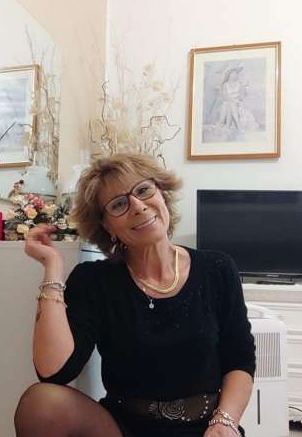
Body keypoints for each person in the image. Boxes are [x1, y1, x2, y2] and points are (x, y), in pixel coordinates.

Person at [15, 152, 256, 437]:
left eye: (143, 190)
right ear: (107, 225)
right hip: (124, 428)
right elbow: (55, 371)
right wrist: (52, 267)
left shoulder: (216, 268)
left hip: (206, 429)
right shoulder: (95, 280)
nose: (138, 207)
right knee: (40, 404)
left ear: (162, 193)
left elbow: (240, 359)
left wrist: (225, 421)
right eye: (119, 204)